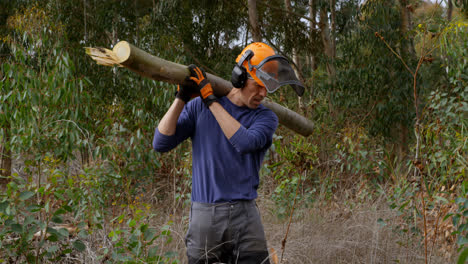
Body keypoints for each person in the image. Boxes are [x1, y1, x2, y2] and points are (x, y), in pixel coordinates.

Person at [153, 42, 304, 264]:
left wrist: (212, 101)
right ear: (240, 76)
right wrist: (181, 98)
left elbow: (245, 142)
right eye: (258, 85)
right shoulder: (199, 108)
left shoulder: (265, 117)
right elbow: (161, 142)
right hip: (206, 215)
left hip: (246, 215)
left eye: (267, 88)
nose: (262, 93)